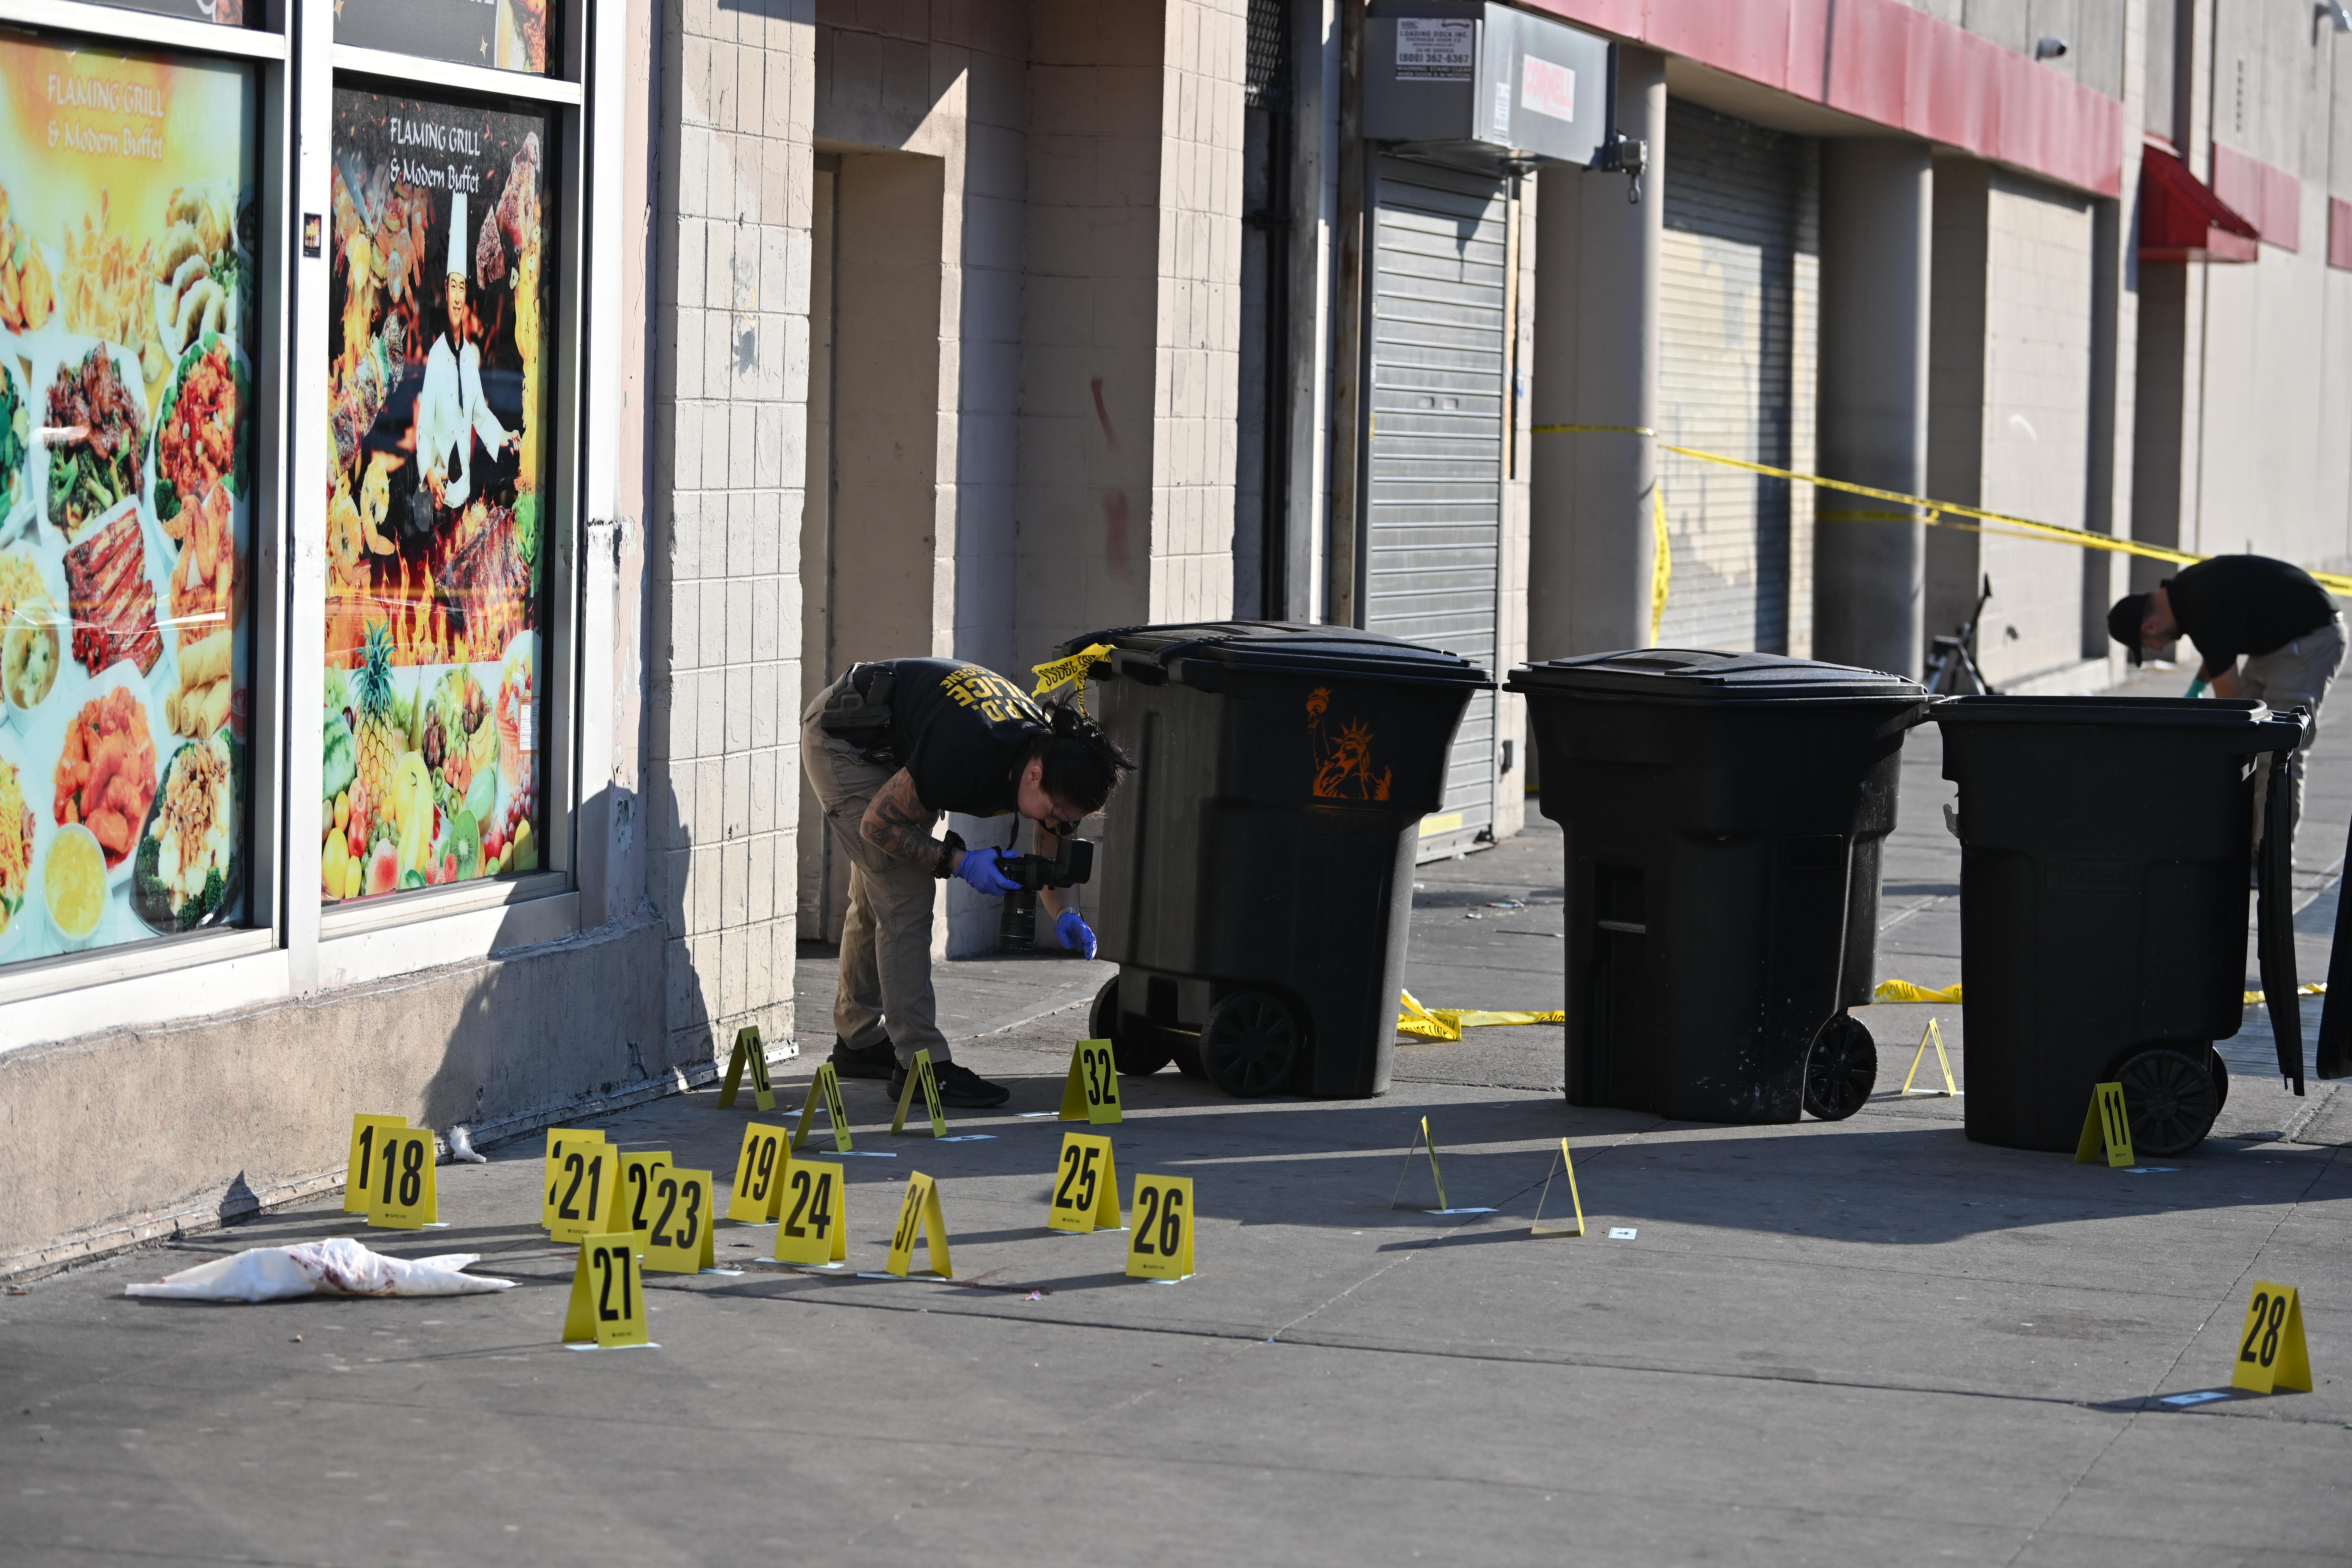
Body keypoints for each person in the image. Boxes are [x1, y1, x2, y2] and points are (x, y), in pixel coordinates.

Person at [800, 659, 1133, 1107]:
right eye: (1054, 811)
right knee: (905, 892)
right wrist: (960, 862)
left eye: (1064, 818)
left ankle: (858, 1043)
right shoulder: (967, 751)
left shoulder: (1054, 754)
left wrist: (1066, 912)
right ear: (1034, 775)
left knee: (877, 887)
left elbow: (1052, 844)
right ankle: (923, 1068)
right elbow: (878, 827)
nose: (1055, 822)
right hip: (845, 740)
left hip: (898, 740)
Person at [2109, 554, 2346, 832]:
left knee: (2278, 754)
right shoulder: (2187, 591)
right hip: (2274, 645)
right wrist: (2198, 687)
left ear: (2149, 626)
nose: (2158, 649)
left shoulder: (2200, 608)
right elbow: (2218, 648)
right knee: (2252, 750)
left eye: (2149, 644)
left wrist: (2195, 753)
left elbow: (2234, 709)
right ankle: (2247, 846)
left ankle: (2268, 862)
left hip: (2309, 641)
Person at [415, 191, 513, 514]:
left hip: (465, 494)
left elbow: (479, 416)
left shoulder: (470, 356)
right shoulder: (436, 356)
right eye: (452, 287)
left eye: (462, 287)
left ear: (466, 293)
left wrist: (505, 437)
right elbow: (424, 429)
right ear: (445, 292)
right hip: (440, 494)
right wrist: (428, 470)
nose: (457, 297)